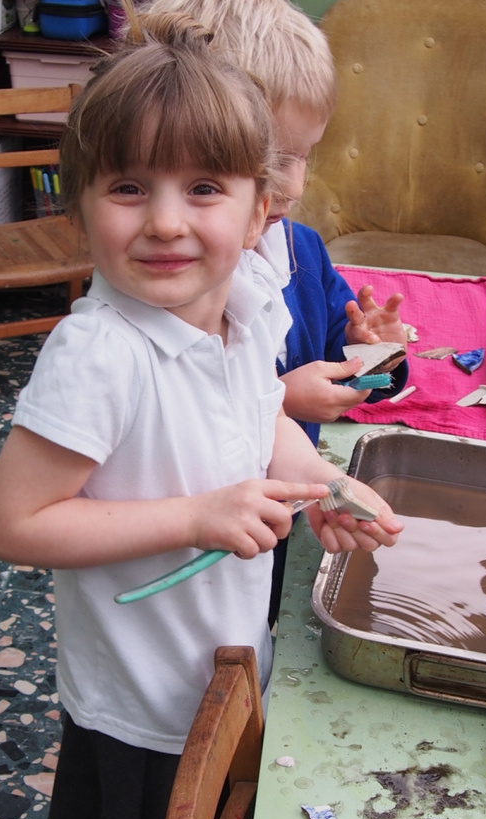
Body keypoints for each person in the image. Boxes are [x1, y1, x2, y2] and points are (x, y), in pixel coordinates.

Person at [0, 13, 402, 819]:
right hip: (137, 712)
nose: (167, 222)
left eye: (204, 188)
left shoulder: (248, 298)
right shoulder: (101, 352)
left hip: (223, 665)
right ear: (80, 203)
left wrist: (320, 480)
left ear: (261, 210)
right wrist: (195, 515)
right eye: (129, 188)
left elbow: (263, 418)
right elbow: (15, 524)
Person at [144, 0, 411, 624]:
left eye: (306, 155)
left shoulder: (302, 251)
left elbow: (359, 384)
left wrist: (377, 353)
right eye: (274, 161)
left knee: (259, 627)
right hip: (191, 539)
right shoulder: (177, 279)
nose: (294, 185)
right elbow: (175, 416)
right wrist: (284, 397)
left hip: (288, 507)